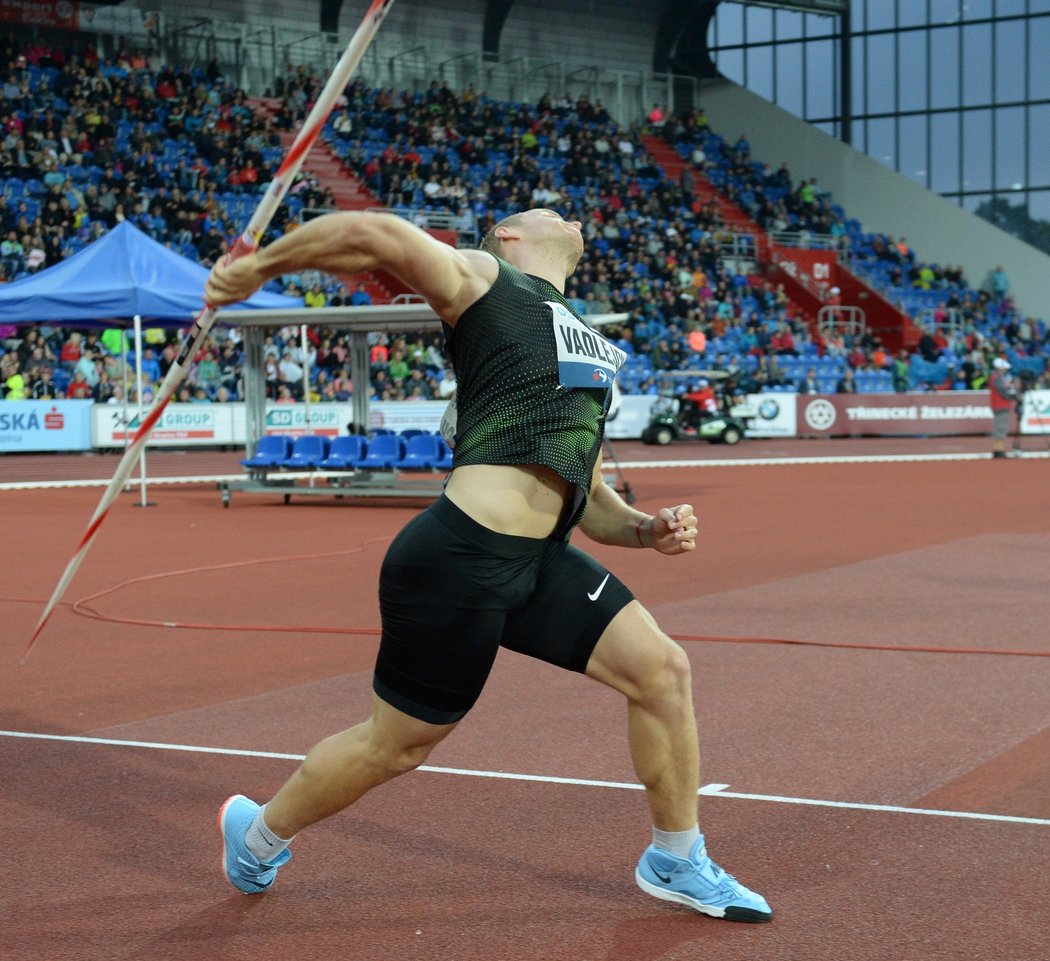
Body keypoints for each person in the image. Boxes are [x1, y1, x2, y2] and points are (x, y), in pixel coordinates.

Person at [204, 207, 772, 923]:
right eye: (547, 212)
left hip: (542, 560)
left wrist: (646, 528)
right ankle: (256, 836)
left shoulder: (590, 344)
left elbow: (591, 500)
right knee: (396, 745)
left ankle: (676, 856)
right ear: (507, 235)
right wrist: (256, 269)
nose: (569, 214)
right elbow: (371, 234)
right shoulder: (484, 281)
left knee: (662, 670)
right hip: (458, 557)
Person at [988, 356, 1017, 459]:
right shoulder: (997, 377)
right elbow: (1002, 391)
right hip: (1000, 405)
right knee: (1001, 428)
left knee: (1000, 427)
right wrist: (1012, 396)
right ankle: (998, 450)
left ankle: (998, 449)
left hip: (1000, 405)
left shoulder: (997, 377)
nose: (1005, 369)